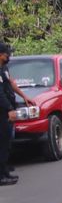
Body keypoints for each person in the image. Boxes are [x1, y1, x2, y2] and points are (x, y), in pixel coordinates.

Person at [0, 43, 19, 185]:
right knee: (3, 143)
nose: (8, 57)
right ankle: (1, 176)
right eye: (7, 54)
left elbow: (9, 85)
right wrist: (9, 108)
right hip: (2, 112)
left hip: (5, 110)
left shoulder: (3, 69)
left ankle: (4, 171)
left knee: (6, 143)